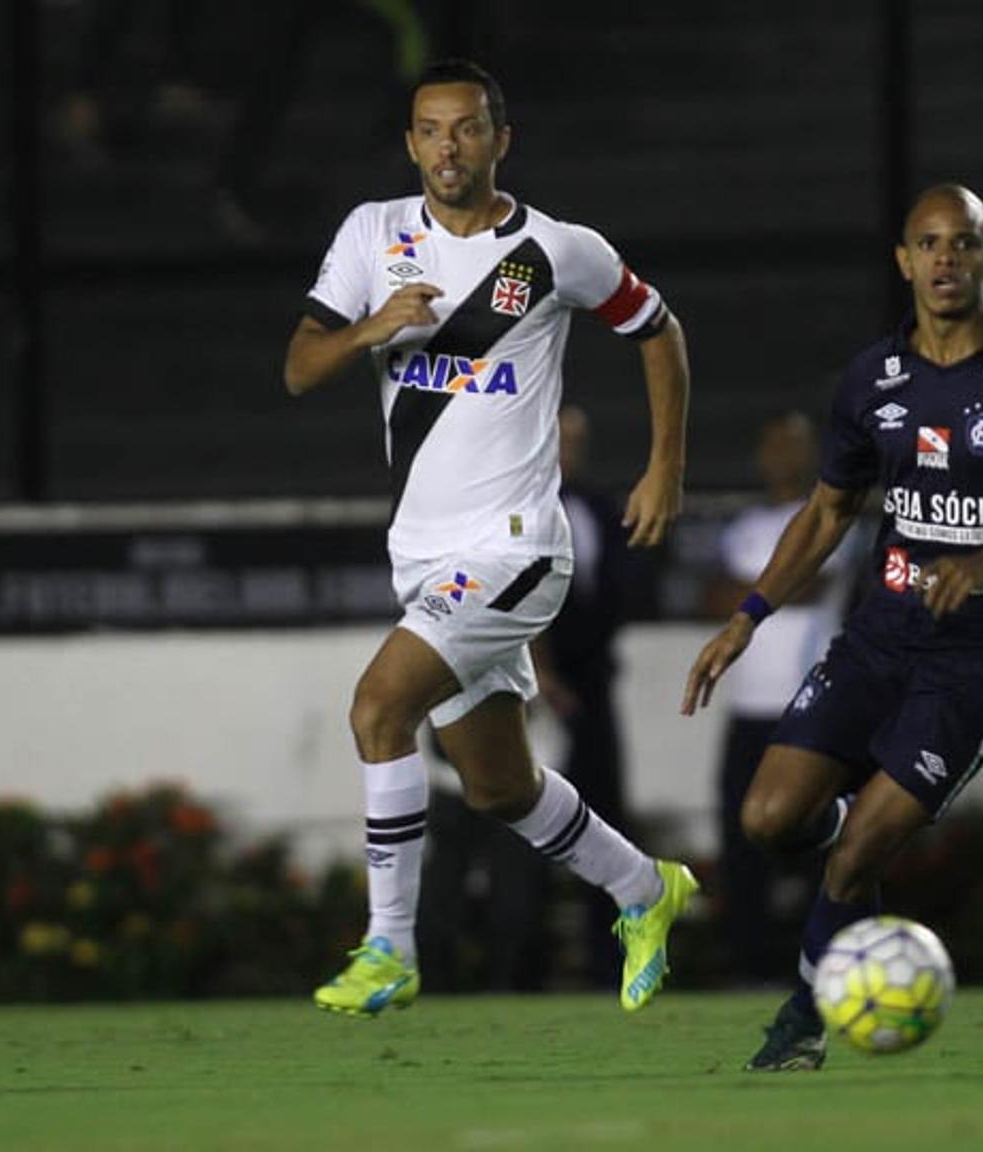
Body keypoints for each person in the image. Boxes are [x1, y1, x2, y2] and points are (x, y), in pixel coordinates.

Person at [284, 58, 698, 1017]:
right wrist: (370, 330)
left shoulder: (556, 252)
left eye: (467, 129)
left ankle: (390, 946)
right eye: (430, 130)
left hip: (514, 549)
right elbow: (301, 368)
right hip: (424, 556)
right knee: (497, 786)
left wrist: (665, 465)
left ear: (500, 141)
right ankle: (646, 888)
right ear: (411, 143)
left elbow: (658, 328)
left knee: (379, 708)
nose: (448, 148)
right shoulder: (372, 235)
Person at [681, 184, 983, 1069]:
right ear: (904, 261)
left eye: (965, 244)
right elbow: (827, 511)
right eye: (929, 244)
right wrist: (747, 618)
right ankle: (851, 812)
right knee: (767, 818)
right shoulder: (872, 379)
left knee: (856, 855)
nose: (946, 260)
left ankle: (802, 1021)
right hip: (884, 634)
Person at [704, 411, 859, 984]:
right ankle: (751, 967)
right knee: (740, 840)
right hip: (747, 708)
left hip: (809, 704)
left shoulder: (829, 517)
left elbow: (809, 582)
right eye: (771, 446)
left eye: (791, 447)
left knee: (822, 841)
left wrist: (747, 591)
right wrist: (762, 589)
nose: (780, 459)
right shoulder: (745, 526)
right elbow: (711, 594)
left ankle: (828, 964)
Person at [533, 404, 634, 988]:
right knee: (531, 821)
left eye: (578, 439)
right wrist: (542, 674)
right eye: (560, 438)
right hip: (533, 692)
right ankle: (525, 967)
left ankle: (606, 962)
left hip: (593, 692)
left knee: (603, 819)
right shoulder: (515, 504)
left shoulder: (602, 508)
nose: (570, 449)